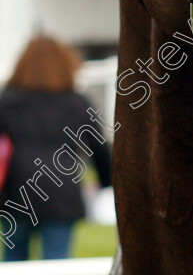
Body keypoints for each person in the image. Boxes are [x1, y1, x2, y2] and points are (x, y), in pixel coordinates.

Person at [0, 35, 112, 261]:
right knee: (57, 260)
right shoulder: (76, 102)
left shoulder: (6, 101)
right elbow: (99, 147)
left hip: (16, 191)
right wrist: (106, 182)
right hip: (61, 191)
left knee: (14, 258)